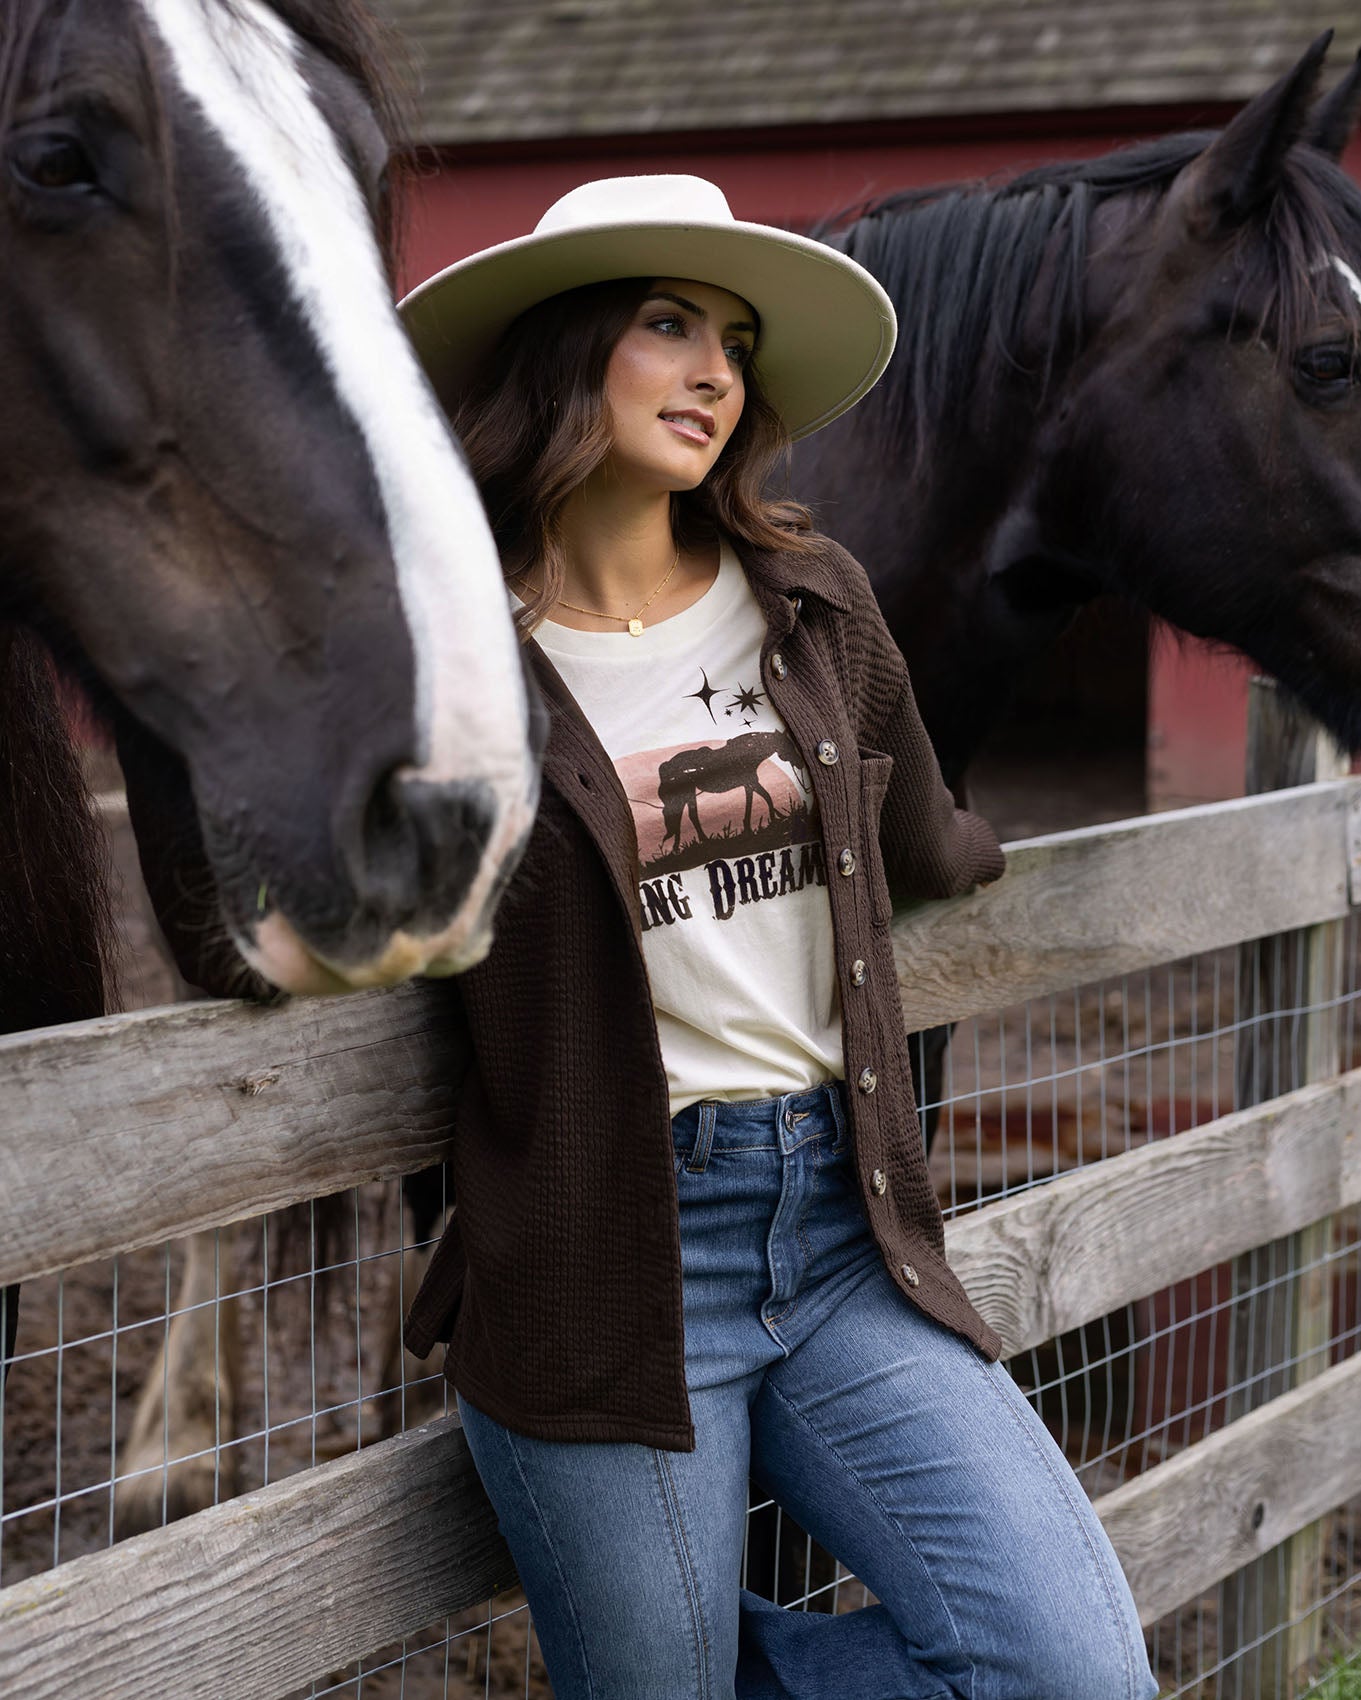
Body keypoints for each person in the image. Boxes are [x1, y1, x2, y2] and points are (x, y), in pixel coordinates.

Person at [398, 175, 1157, 1700]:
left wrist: (1002, 873)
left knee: (1075, 1675)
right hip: (601, 1263)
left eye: (733, 343)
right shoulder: (447, 661)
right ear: (561, 352)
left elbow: (924, 831)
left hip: (840, 1230)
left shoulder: (810, 603)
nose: (714, 374)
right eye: (666, 325)